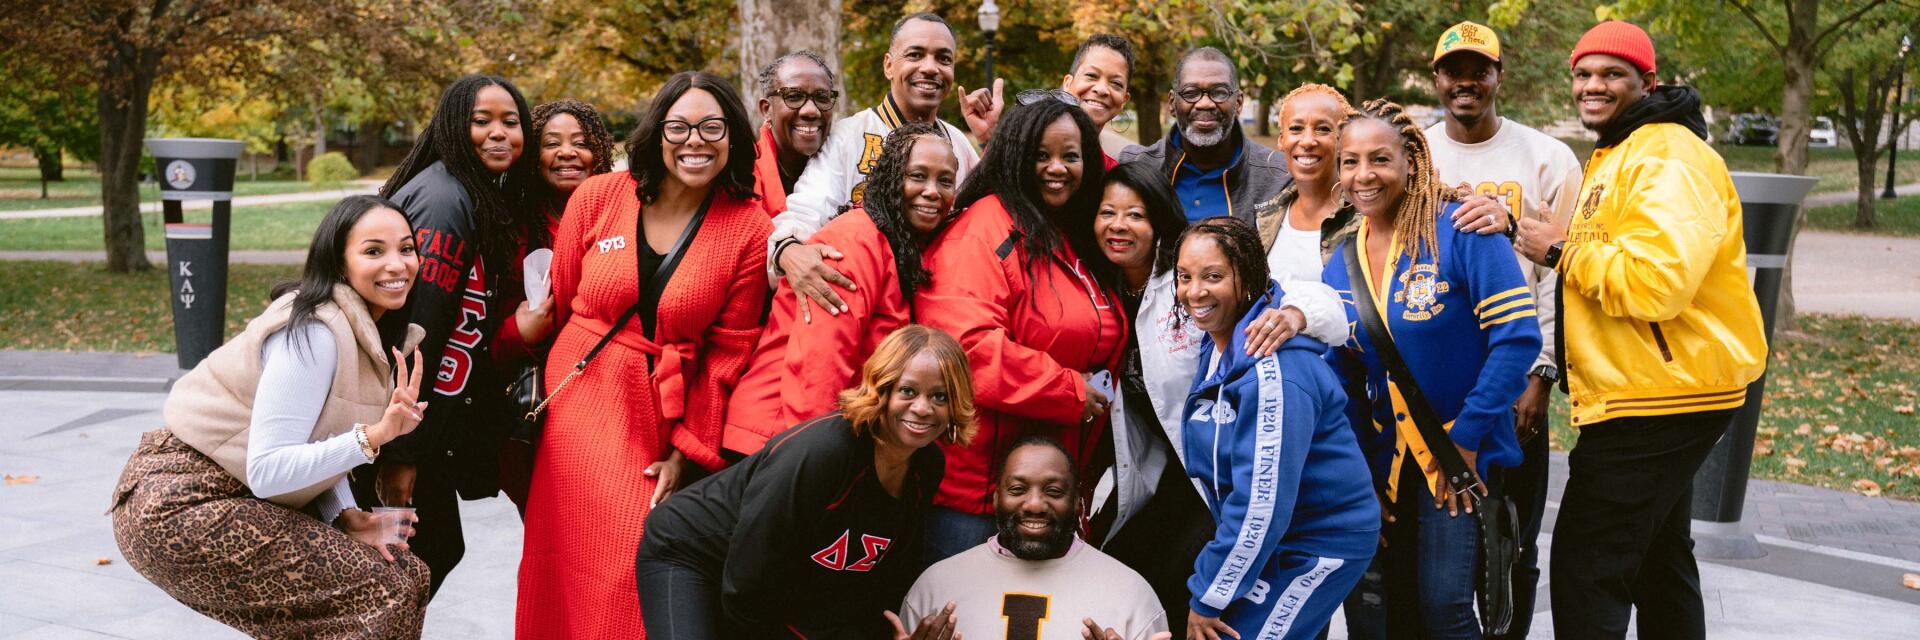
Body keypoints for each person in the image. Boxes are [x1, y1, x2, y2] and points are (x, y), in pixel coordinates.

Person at [1513, 22, 1765, 640]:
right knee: (1658, 559)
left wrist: (1559, 252)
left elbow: (1658, 284)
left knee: (1587, 566)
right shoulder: (1619, 150)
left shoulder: (1670, 156)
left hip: (1661, 394)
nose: (1592, 86)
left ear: (1646, 82)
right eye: (1583, 73)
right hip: (1645, 388)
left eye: (1611, 74)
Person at [517, 71, 773, 639]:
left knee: (641, 552)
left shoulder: (749, 226)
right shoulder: (599, 196)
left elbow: (728, 353)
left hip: (665, 407)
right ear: (657, 133)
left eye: (712, 126)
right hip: (582, 394)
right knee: (578, 553)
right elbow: (561, 296)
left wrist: (689, 451)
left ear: (733, 135)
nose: (695, 141)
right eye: (680, 126)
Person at [110, 195, 432, 638]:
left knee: (407, 574)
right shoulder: (315, 332)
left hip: (227, 495)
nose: (397, 264)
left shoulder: (364, 331)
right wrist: (373, 436)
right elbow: (267, 471)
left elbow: (317, 432)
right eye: (374, 251)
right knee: (380, 590)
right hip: (179, 503)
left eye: (407, 248)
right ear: (339, 264)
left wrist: (344, 515)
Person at [1090, 160, 1350, 633]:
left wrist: (1293, 315)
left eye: (1136, 214)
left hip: (1220, 479)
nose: (1120, 226)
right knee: (1126, 570)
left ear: (1158, 224)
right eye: (1108, 212)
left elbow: (1326, 306)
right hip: (1165, 469)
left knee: (1193, 593)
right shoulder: (1096, 287)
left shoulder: (1186, 278)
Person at [1321, 99, 1542, 638]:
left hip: (1455, 461)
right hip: (1381, 470)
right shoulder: (1339, 260)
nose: (1363, 175)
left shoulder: (1461, 232)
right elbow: (1343, 376)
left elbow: (1516, 341)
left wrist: (1466, 439)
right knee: (1376, 612)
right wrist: (1359, 475)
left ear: (1412, 162)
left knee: (1446, 610)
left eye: (1380, 159)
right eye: (1349, 162)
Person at [638, 325, 974, 638]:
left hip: (774, 582)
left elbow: (878, 583)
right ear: (881, 389)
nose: (922, 408)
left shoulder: (926, 466)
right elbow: (747, 581)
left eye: (940, 397)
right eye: (907, 390)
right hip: (692, 555)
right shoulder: (827, 451)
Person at [1423, 22, 1585, 639]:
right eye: (1453, 69)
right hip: (1437, 378)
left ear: (1498, 76)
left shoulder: (1548, 158)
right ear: (1437, 78)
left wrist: (1541, 372)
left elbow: (1559, 274)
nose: (1466, 81)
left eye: (1479, 69)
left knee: (1509, 535)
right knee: (1434, 536)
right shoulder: (1416, 153)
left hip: (1515, 375)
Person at [915, 97, 1124, 564]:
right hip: (974, 499)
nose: (1057, 168)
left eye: (1071, 156)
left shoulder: (1067, 232)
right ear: (1014, 156)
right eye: (1041, 155)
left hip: (1049, 492)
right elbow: (965, 350)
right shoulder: (983, 228)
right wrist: (1070, 391)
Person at [1171, 217, 1377, 640]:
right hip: (1278, 533)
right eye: (1184, 277)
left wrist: (1209, 594)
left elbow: (1260, 505)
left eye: (1212, 276)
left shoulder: (1272, 375)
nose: (1195, 292)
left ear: (1246, 278)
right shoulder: (1220, 340)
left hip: (1319, 542)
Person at [373, 73, 540, 594]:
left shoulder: (470, 194)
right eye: (480, 121)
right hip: (396, 430)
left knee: (430, 553)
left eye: (510, 122)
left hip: (419, 430)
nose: (498, 134)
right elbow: (415, 339)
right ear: (450, 127)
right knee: (415, 560)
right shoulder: (446, 202)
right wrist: (401, 458)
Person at [725, 122, 960, 456]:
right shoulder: (855, 241)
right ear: (890, 178)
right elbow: (819, 366)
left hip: (825, 436)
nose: (933, 191)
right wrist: (810, 463)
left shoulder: (902, 244)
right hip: (776, 440)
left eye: (945, 181)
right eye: (917, 176)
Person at [771, 12, 983, 323]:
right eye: (915, 55)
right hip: (859, 311)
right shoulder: (848, 135)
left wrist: (991, 139)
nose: (929, 67)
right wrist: (787, 250)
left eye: (943, 58)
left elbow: (984, 224)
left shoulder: (959, 145)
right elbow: (806, 212)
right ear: (888, 65)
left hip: (942, 315)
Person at [898, 436, 1170, 640]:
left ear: (1077, 500)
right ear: (996, 498)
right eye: (1018, 489)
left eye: (1053, 491)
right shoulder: (936, 586)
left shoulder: (1131, 593)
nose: (1035, 505)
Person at [1255, 83, 1512, 287]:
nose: (1308, 140)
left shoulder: (1376, 210)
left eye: (1323, 129)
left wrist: (1507, 222)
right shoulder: (1266, 214)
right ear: (1281, 139)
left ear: (1344, 140)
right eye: (1296, 129)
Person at [495, 98, 617, 512]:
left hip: (612, 393)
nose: (567, 152)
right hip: (539, 403)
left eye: (580, 142)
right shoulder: (512, 226)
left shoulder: (628, 213)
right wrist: (519, 334)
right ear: (534, 155)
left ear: (599, 151)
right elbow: (481, 327)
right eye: (552, 143)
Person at [1119, 47, 1287, 223]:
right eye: (1190, 93)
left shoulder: (1277, 176)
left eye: (1219, 92)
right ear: (1172, 103)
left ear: (1238, 103)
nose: (1205, 104)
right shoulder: (1135, 165)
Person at [960, 33, 1136, 166]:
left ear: (1124, 100)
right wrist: (988, 139)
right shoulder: (1026, 152)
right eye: (1091, 75)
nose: (1102, 89)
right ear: (1068, 83)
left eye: (1116, 83)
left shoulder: (1112, 174)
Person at [752, 50, 838, 213]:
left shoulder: (852, 167)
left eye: (822, 97)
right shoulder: (743, 177)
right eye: (793, 96)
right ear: (766, 109)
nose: (811, 111)